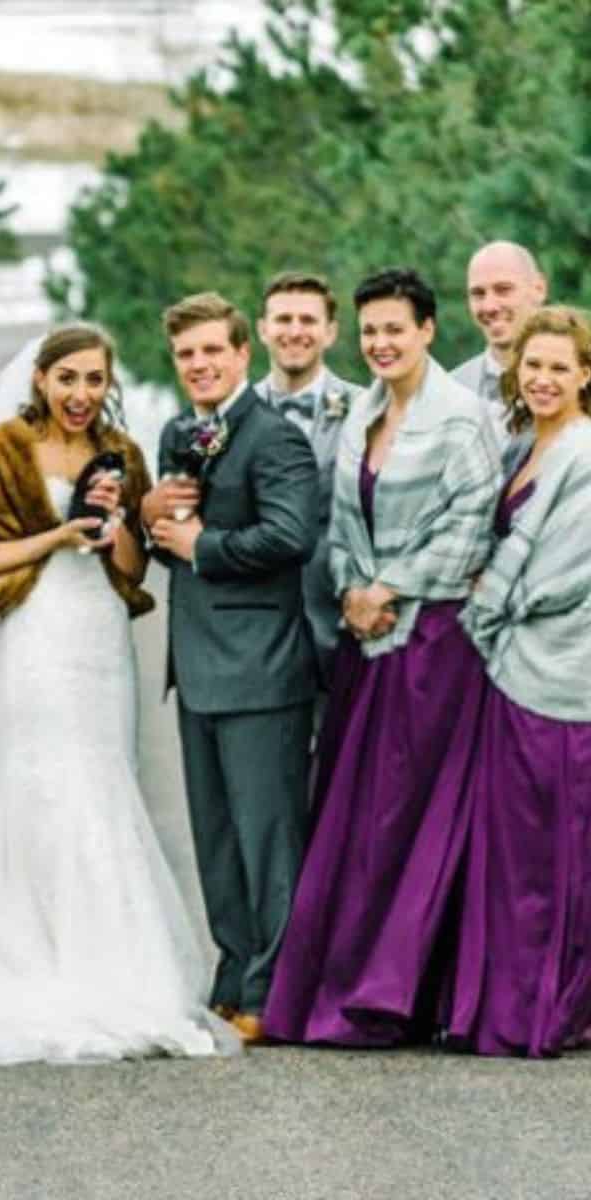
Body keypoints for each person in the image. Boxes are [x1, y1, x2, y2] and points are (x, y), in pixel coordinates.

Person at [0, 323, 237, 1064]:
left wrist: (116, 522)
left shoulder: (122, 452)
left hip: (99, 644)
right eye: (68, 380)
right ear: (41, 381)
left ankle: (119, 966)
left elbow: (131, 571)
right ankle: (38, 958)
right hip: (35, 639)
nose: (81, 394)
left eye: (94, 380)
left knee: (102, 784)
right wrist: (56, 536)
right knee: (44, 788)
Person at [263, 268, 502, 1047]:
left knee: (411, 814)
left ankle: (402, 991)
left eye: (395, 329)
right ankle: (341, 981)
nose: (381, 343)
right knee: (356, 813)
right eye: (370, 331)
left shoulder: (463, 420)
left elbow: (470, 529)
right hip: (367, 639)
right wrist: (353, 593)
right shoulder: (363, 410)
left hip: (435, 643)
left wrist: (389, 588)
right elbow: (341, 527)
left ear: (429, 331)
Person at [141, 293, 319, 1046]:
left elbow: (290, 535)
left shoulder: (277, 437)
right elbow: (166, 535)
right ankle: (231, 970)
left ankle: (272, 992)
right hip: (199, 666)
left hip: (262, 669)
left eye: (214, 350)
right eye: (187, 355)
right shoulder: (180, 433)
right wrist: (154, 524)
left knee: (268, 840)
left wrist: (198, 547)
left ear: (243, 353)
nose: (201, 365)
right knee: (215, 837)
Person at [446, 306, 591, 1058]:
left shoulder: (586, 452)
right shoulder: (518, 447)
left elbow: (567, 573)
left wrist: (486, 602)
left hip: (563, 675)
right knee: (514, 847)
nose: (541, 379)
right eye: (532, 366)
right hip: (507, 668)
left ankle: (552, 1008)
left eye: (559, 368)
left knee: (557, 846)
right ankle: (501, 999)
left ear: (586, 376)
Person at [255, 272, 364, 690]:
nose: (295, 331)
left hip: (344, 627)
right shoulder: (231, 416)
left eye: (308, 320)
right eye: (283, 320)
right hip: (260, 637)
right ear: (264, 329)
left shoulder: (368, 410)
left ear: (330, 332)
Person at [453, 241, 546, 444]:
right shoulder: (450, 394)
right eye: (478, 294)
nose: (489, 306)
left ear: (539, 289)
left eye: (503, 290)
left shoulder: (582, 378)